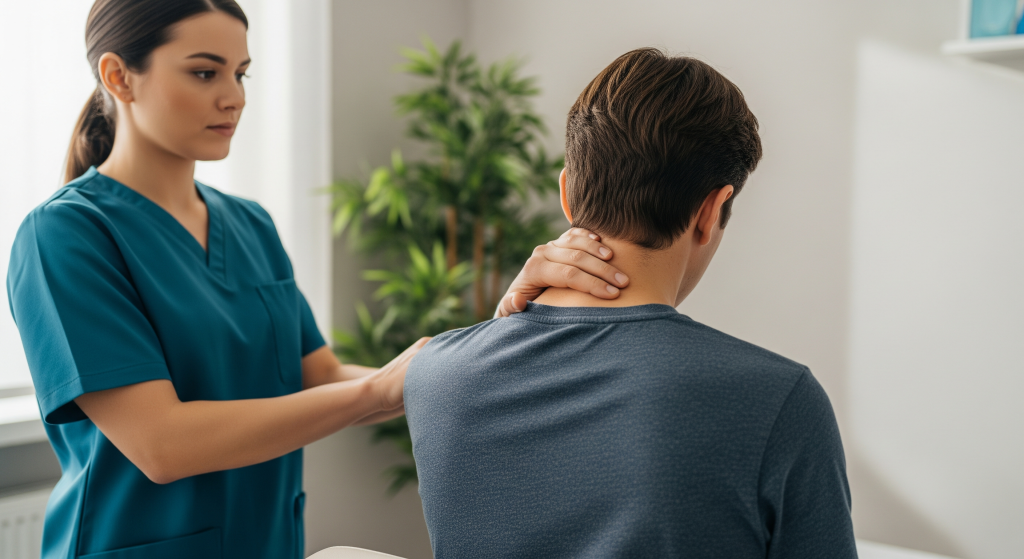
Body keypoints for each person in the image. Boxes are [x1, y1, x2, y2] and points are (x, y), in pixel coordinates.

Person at [5, 1, 629, 557]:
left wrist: (483, 353)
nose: (235, 96)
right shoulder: (65, 236)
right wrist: (382, 390)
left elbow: (322, 375)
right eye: (205, 72)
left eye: (241, 72)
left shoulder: (248, 225)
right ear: (119, 76)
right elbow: (160, 444)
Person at [405, 48, 858, 558]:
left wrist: (497, 333)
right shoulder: (778, 400)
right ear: (710, 211)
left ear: (567, 194)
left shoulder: (436, 376)